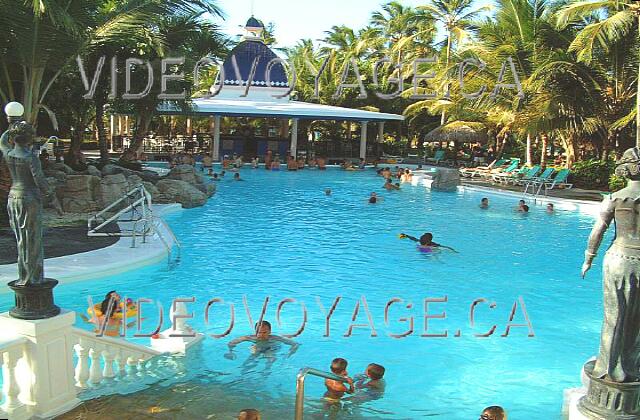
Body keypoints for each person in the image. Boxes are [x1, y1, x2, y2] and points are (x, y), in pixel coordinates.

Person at [225, 321, 299, 360]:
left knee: (271, 358)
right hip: (258, 347)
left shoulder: (275, 338)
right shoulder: (250, 337)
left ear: (270, 331)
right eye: (259, 332)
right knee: (253, 353)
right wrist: (231, 351)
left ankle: (266, 373)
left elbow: (295, 344)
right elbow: (232, 342)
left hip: (271, 348)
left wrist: (290, 353)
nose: (261, 335)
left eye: (264, 332)